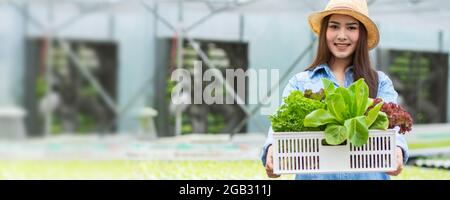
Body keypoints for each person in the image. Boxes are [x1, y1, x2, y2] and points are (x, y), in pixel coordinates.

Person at [261, 0, 409, 180]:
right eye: (334, 26)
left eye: (351, 28)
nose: (341, 35)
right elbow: (279, 126)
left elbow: (393, 131)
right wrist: (272, 149)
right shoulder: (300, 82)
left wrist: (397, 150)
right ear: (325, 32)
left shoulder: (380, 83)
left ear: (361, 34)